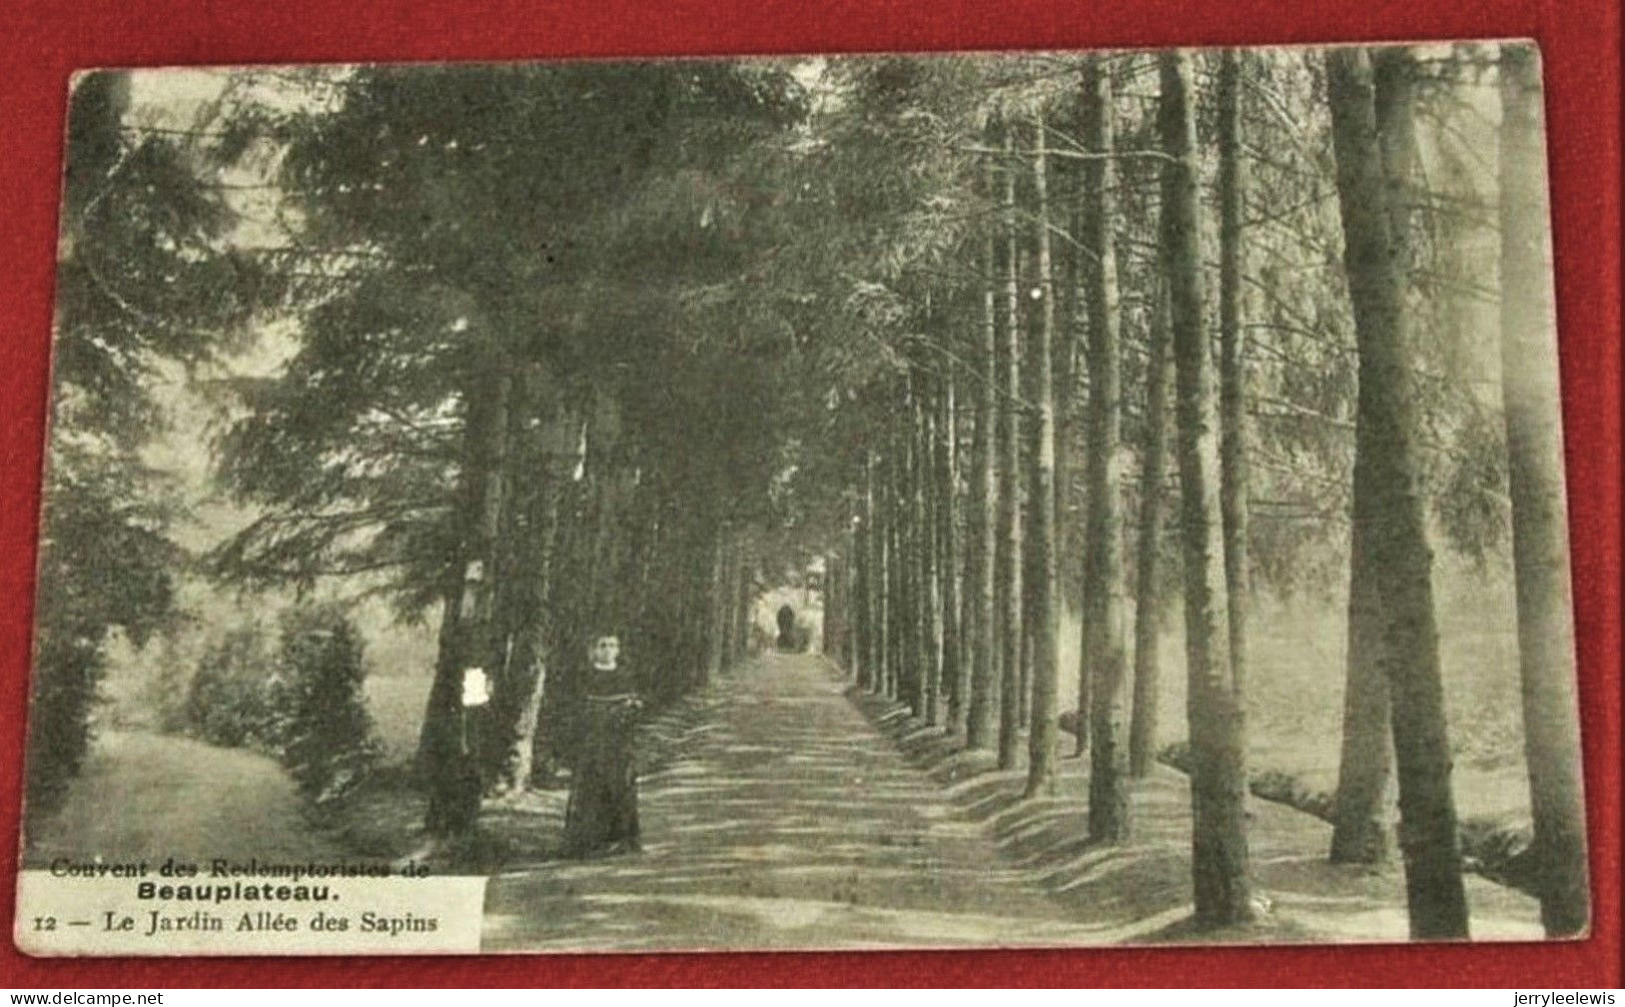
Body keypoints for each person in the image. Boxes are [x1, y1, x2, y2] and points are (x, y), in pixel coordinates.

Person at [561, 633, 642, 858]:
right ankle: (586, 841)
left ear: (618, 650)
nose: (608, 650)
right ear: (593, 650)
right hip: (592, 740)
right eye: (602, 645)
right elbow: (576, 708)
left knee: (619, 784)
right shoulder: (584, 676)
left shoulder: (625, 675)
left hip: (618, 741)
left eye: (613, 645)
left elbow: (635, 705)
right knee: (589, 786)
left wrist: (628, 711)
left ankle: (620, 839)